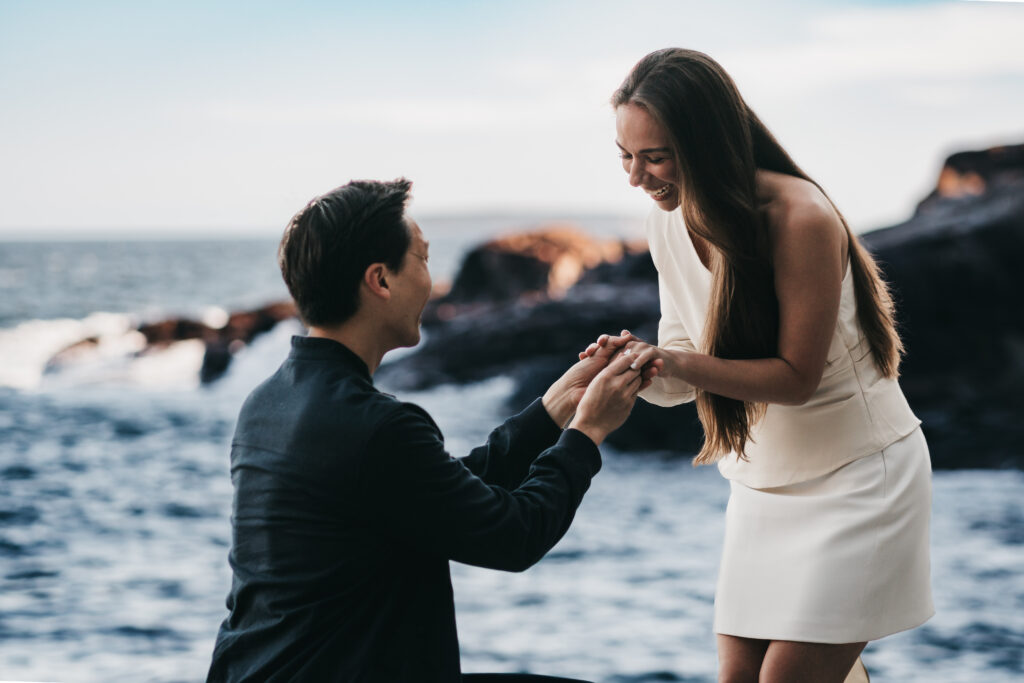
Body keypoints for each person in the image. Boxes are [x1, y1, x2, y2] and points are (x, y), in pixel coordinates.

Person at [206, 178, 655, 682]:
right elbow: (515, 535)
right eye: (422, 258)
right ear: (380, 280)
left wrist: (555, 407)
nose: (431, 278)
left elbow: (438, 491)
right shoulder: (379, 427)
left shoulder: (265, 403)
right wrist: (588, 431)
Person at [582, 48, 933, 682]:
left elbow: (795, 379)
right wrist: (635, 368)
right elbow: (684, 373)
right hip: (760, 487)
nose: (636, 177)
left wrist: (675, 361)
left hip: (859, 480)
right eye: (624, 156)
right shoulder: (667, 224)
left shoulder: (801, 217)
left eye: (654, 156)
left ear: (706, 144)